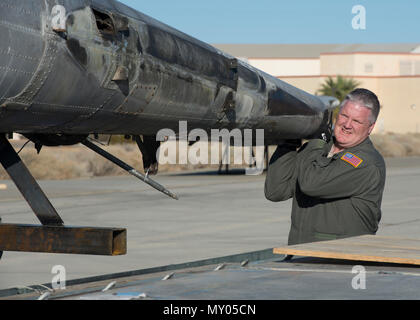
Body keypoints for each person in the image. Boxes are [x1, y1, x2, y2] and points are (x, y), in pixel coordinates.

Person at [265, 88, 386, 245]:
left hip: (340, 259)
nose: (347, 125)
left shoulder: (365, 162)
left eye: (356, 121)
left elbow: (311, 184)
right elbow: (276, 191)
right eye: (344, 116)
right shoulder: (318, 149)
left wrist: (316, 141)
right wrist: (288, 142)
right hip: (301, 253)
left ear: (370, 127)